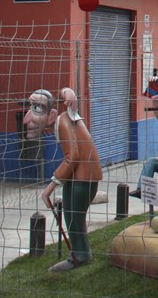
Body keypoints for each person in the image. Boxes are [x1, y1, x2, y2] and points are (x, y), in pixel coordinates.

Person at [24, 87, 103, 274]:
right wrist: (67, 91)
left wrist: (49, 188)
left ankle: (79, 256)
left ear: (51, 115)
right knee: (72, 216)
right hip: (78, 176)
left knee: (74, 218)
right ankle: (80, 253)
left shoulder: (62, 122)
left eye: (37, 108)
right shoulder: (65, 118)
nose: (27, 118)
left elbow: (72, 157)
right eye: (30, 107)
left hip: (83, 178)